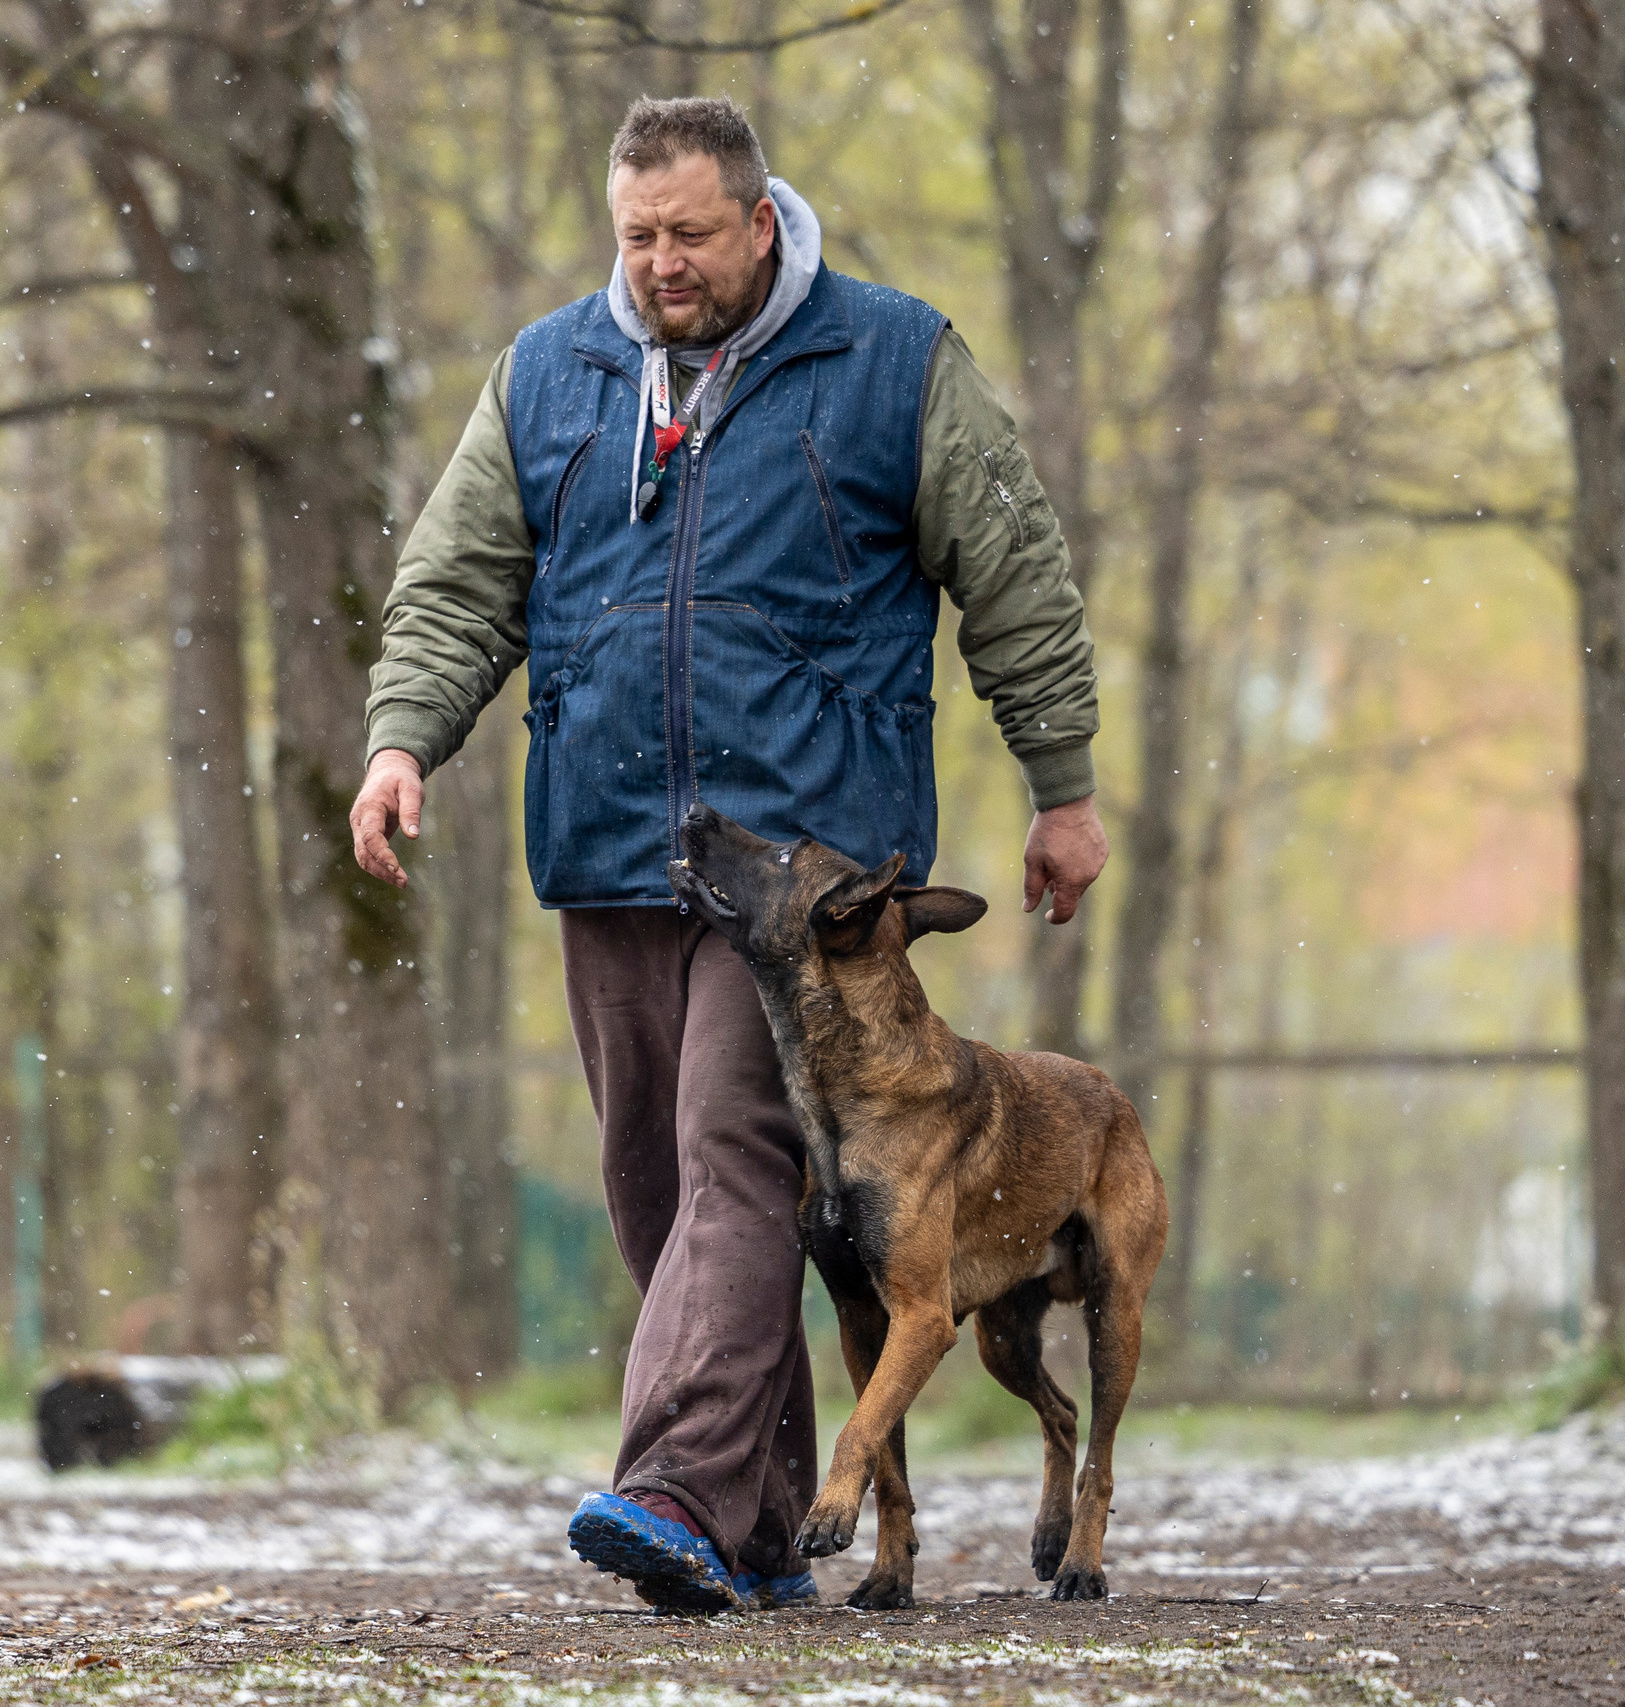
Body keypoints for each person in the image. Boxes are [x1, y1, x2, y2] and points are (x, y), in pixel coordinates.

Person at [351, 95, 1105, 1611]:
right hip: (614, 841)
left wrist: (1061, 782)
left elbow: (1014, 572)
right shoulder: (551, 373)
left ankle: (673, 1492)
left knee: (734, 1162)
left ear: (762, 221)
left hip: (810, 877)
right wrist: (400, 744)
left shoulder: (895, 362)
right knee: (655, 1193)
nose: (659, 263)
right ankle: (760, 1535)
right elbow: (457, 584)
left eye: (689, 232)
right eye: (636, 235)